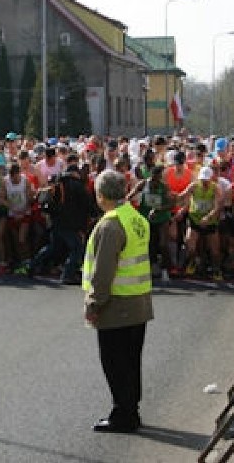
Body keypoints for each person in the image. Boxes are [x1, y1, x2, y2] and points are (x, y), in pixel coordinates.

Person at [83, 169, 153, 433]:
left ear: (100, 195)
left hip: (117, 304)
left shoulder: (110, 224)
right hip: (138, 301)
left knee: (115, 363)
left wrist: (93, 304)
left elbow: (103, 272)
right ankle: (130, 410)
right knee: (131, 362)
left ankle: (123, 414)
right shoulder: (135, 217)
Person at [30, 164, 91, 284]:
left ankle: (33, 265)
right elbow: (86, 206)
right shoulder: (79, 186)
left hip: (56, 222)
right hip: (70, 224)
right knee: (77, 249)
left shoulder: (57, 182)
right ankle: (68, 274)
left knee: (52, 247)